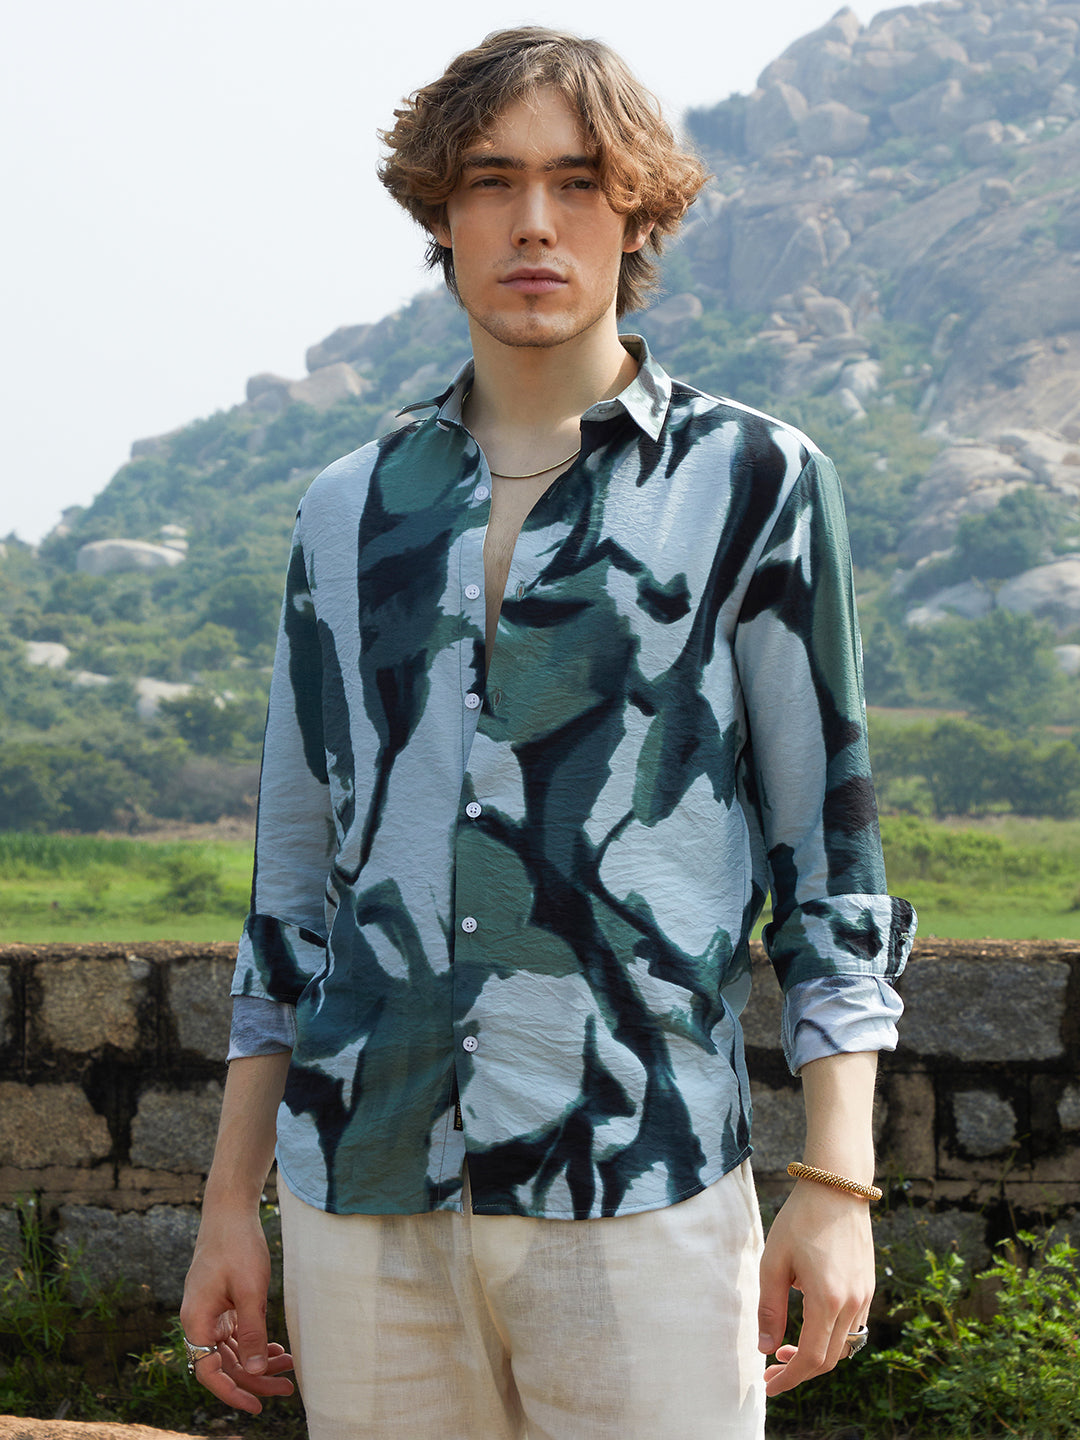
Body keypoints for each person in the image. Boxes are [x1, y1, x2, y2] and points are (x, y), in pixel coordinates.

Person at [180, 27, 915, 1440]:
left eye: (578, 182)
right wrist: (229, 1202)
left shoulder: (753, 482)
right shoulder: (347, 508)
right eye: (492, 180)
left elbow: (831, 861)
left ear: (637, 213)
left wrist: (837, 1186)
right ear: (440, 213)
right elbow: (294, 886)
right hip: (362, 1188)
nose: (533, 221)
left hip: (643, 1183)